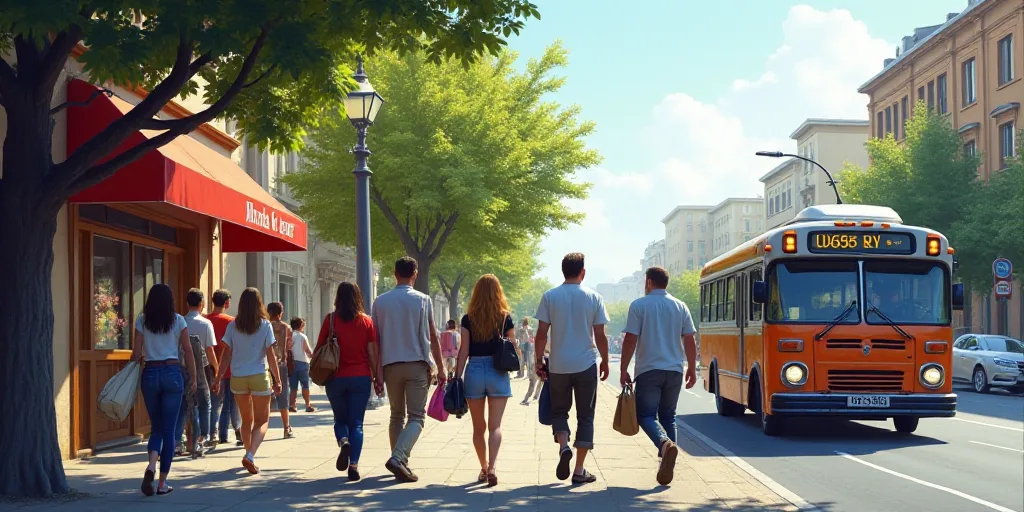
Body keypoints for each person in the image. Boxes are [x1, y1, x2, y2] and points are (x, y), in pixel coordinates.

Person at [534, 252, 610, 485]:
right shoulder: (594, 297)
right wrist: (605, 361)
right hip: (586, 364)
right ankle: (579, 470)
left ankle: (564, 446)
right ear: (583, 272)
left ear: (563, 271)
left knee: (560, 412)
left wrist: (538, 361)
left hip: (558, 365)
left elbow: (540, 334)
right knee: (585, 416)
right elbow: (600, 335)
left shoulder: (550, 296)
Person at [619, 267, 698, 486]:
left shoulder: (639, 305)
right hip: (674, 370)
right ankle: (667, 458)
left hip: (649, 370)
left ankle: (664, 445)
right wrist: (691, 367)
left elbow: (630, 340)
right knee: (669, 416)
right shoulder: (680, 306)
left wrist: (624, 367)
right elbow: (689, 339)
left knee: (645, 415)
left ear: (649, 282)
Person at [373, 256, 448, 483]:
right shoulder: (423, 300)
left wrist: (376, 372)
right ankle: (399, 458)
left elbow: (375, 341)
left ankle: (400, 462)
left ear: (395, 274)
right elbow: (433, 336)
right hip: (416, 365)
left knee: (396, 415)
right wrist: (441, 367)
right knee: (416, 416)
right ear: (414, 274)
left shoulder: (380, 302)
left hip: (390, 365)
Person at [132, 284, 196, 496]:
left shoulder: (142, 320)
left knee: (156, 427)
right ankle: (162, 483)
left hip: (150, 373)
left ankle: (151, 466)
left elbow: (135, 353)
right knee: (169, 431)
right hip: (171, 373)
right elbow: (187, 350)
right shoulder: (178, 320)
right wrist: (194, 376)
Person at [211, 288, 282, 475]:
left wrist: (218, 377)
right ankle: (250, 455)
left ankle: (249, 454)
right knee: (262, 421)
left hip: (238, 378)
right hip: (259, 375)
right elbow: (271, 355)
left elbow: (226, 354)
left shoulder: (233, 326)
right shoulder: (265, 325)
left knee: (246, 420)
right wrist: (278, 379)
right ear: (259, 304)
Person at [319, 282, 382, 482]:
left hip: (335, 377)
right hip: (361, 377)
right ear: (358, 297)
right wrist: (377, 378)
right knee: (357, 423)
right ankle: (353, 464)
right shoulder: (366, 322)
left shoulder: (330, 320)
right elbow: (373, 353)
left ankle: (343, 441)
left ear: (338, 297)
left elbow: (320, 347)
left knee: (340, 419)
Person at [456, 274, 515, 487]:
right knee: (495, 426)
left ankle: (483, 466)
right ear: (498, 292)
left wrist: (456, 375)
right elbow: (513, 345)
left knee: (478, 427)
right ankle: (493, 468)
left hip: (474, 369)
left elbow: (464, 350)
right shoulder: (504, 317)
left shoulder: (467, 318)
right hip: (497, 370)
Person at [206, 289, 242, 447]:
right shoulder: (231, 321)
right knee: (231, 403)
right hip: (228, 368)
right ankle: (233, 432)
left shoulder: (205, 320)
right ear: (226, 303)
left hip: (208, 368)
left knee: (213, 404)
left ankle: (212, 433)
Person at [267, 302, 295, 439]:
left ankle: (261, 427)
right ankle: (286, 427)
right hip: (281, 364)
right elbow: (289, 346)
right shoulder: (286, 327)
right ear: (281, 312)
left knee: (264, 396)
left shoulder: (264, 326)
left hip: (266, 364)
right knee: (283, 396)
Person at [288, 317, 315, 413]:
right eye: (303, 325)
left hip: (291, 364)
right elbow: (307, 350)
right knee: (305, 385)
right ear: (300, 326)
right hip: (303, 363)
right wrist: (313, 356)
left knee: (293, 387)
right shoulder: (303, 336)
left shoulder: (289, 336)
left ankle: (293, 405)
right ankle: (307, 405)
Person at [518, 318, 541, 405]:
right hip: (538, 359)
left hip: (539, 359)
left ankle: (531, 396)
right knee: (536, 380)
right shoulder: (534, 332)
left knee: (537, 380)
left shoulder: (534, 331)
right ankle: (530, 396)